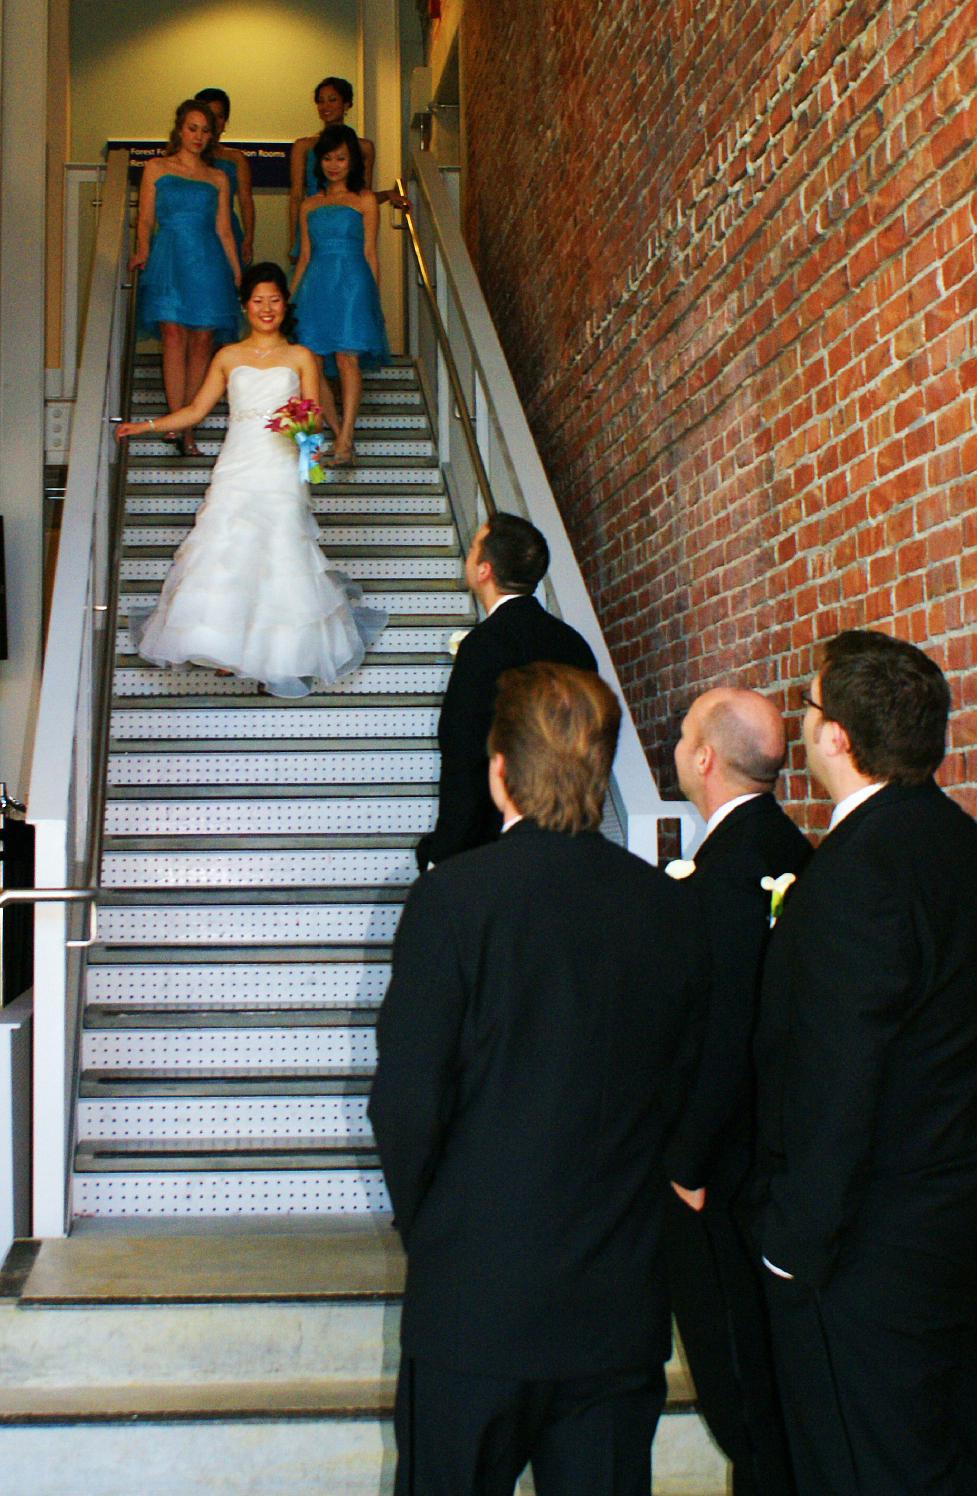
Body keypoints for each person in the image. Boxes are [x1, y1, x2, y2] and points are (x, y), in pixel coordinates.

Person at [369, 661, 709, 1496]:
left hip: (475, 1308)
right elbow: (684, 1094)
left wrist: (442, 1232)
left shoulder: (453, 900)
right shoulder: (668, 909)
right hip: (616, 1308)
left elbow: (404, 1106)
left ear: (498, 771)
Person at [752, 630, 977, 1496]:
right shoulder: (956, 845)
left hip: (865, 1255)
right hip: (949, 1227)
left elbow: (836, 1083)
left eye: (807, 708)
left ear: (835, 737)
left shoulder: (856, 874)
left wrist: (792, 1247)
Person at [663, 688, 810, 1496]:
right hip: (780, 1162)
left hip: (719, 1178)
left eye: (685, 734)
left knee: (738, 1389)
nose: (679, 744)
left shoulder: (725, 876)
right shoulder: (792, 848)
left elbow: (725, 1029)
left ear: (706, 759)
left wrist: (684, 1162)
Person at [115, 262, 386, 696]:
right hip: (237, 463)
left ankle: (275, 656)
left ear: (284, 306)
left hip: (280, 466)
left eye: (274, 300)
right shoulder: (228, 356)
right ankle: (227, 647)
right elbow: (195, 412)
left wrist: (300, 429)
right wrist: (144, 426)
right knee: (226, 549)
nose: (266, 308)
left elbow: (313, 421)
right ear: (244, 307)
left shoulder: (302, 357)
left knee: (280, 552)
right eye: (258, 300)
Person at [414, 512, 597, 871]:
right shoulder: (575, 645)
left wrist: (445, 851)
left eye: (471, 549)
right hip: (570, 840)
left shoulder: (484, 646)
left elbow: (465, 754)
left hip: (493, 848)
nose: (467, 557)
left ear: (484, 571)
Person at [132, 99, 241, 456]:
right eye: (192, 128)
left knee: (202, 341)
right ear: (179, 129)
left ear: (212, 136)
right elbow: (145, 219)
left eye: (205, 130)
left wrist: (237, 271)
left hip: (208, 260)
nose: (198, 136)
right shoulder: (156, 168)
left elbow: (224, 229)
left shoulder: (219, 177)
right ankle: (174, 421)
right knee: (173, 334)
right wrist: (143, 249)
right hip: (169, 256)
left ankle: (189, 426)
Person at [292, 124, 390, 466]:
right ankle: (335, 430)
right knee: (313, 362)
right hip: (315, 282)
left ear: (353, 161)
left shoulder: (364, 200)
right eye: (328, 158)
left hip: (352, 282)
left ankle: (347, 439)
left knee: (347, 358)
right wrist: (289, 303)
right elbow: (304, 256)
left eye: (341, 158)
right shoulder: (308, 205)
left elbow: (371, 253)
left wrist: (373, 298)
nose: (334, 165)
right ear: (318, 162)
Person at [288, 76, 404, 261]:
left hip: (346, 229)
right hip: (313, 224)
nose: (326, 106)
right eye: (321, 101)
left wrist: (387, 195)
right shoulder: (304, 146)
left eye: (332, 99)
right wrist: (295, 240)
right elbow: (296, 197)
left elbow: (363, 195)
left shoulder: (364, 147)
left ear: (346, 103)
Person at [194, 88, 255, 269]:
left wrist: (248, 238)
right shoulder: (183, 158)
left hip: (227, 230)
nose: (215, 121)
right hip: (194, 228)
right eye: (209, 114)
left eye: (220, 116)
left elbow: (245, 201)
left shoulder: (236, 158)